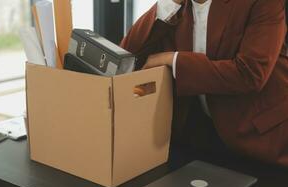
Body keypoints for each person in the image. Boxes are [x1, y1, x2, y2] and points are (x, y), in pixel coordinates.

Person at [120, 0, 288, 166]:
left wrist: (174, 59)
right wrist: (168, 5)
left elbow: (250, 73)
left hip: (261, 139)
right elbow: (126, 58)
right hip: (200, 136)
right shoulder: (178, 7)